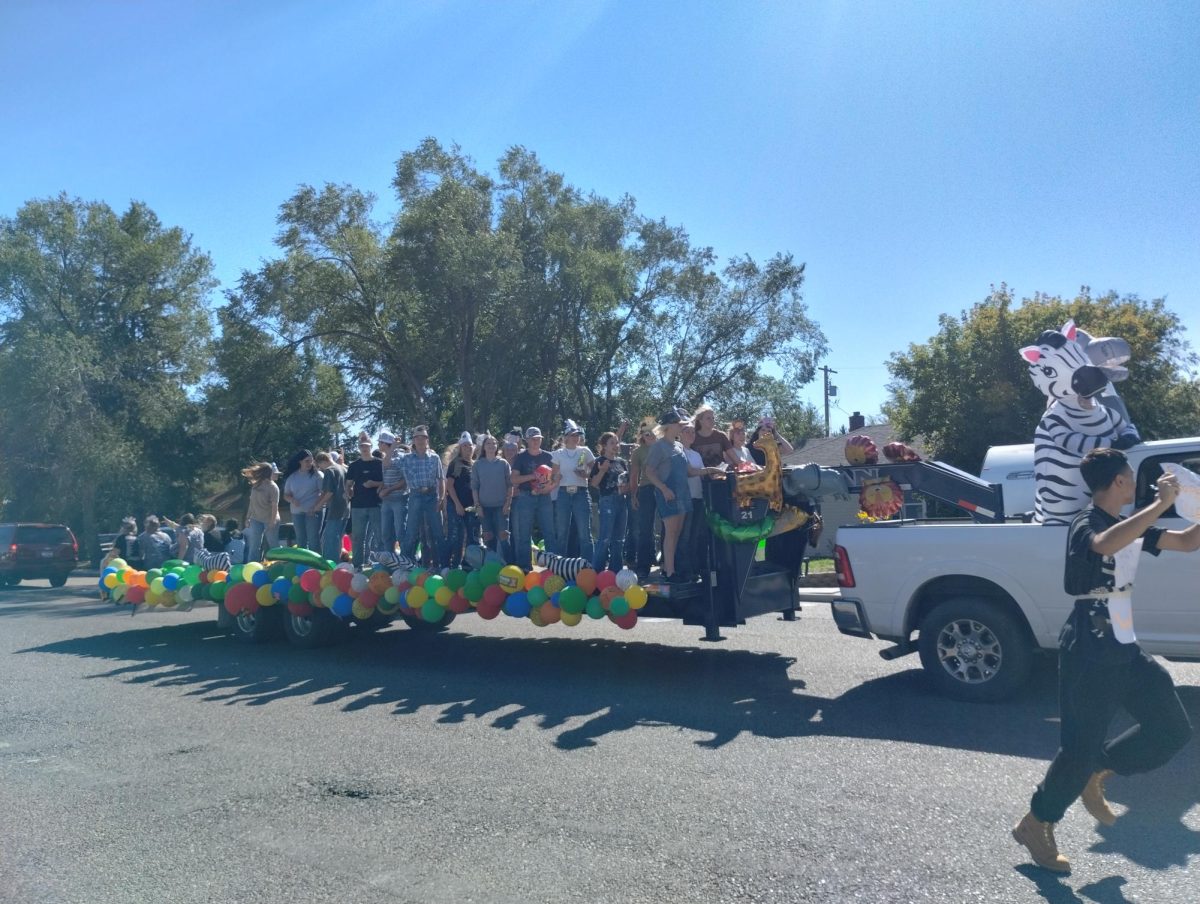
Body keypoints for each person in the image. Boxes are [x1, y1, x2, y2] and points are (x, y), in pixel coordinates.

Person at [1013, 448, 1200, 873]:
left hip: (1123, 644)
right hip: (1088, 649)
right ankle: (1037, 821)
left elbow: (1188, 542)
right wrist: (1160, 505)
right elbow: (1103, 545)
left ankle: (1101, 768)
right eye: (1131, 478)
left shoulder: (1126, 524)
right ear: (1118, 482)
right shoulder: (1088, 523)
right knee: (1077, 749)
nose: (1136, 484)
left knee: (1171, 727)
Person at [643, 408, 694, 582]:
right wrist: (663, 488)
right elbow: (649, 471)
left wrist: (710, 470)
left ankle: (671, 568)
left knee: (677, 532)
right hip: (668, 494)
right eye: (679, 424)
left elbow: (688, 471)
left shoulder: (679, 445)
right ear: (670, 425)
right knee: (670, 533)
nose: (682, 427)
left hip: (683, 493)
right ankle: (669, 572)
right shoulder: (659, 446)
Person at [679, 421, 726, 578]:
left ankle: (694, 569)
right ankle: (683, 570)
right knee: (684, 536)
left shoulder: (695, 454)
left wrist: (716, 473)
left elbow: (701, 474)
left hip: (698, 497)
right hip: (685, 498)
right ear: (680, 433)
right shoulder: (678, 451)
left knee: (695, 535)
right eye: (687, 432)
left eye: (693, 432)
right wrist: (711, 469)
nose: (691, 435)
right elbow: (691, 472)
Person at [400, 425, 447, 567]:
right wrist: (394, 446)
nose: (420, 440)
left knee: (438, 532)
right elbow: (387, 464)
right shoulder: (406, 459)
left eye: (423, 437)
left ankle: (442, 565)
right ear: (413, 440)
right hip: (415, 495)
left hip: (432, 496)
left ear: (427, 440)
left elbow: (441, 479)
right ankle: (406, 565)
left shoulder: (435, 458)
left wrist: (441, 498)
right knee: (411, 532)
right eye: (417, 437)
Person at [511, 426, 558, 569]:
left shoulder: (549, 456)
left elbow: (556, 477)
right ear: (527, 440)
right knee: (524, 533)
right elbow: (514, 479)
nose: (536, 441)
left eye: (538, 439)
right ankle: (524, 567)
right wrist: (533, 476)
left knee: (549, 531)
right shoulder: (520, 457)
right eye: (533, 439)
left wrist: (548, 488)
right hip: (526, 497)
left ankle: (554, 565)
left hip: (545, 497)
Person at [551, 419, 596, 564]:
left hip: (581, 492)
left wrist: (586, 474)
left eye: (577, 435)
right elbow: (553, 476)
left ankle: (589, 566)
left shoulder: (585, 451)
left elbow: (595, 470)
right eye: (572, 435)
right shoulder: (558, 453)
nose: (575, 437)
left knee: (585, 532)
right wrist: (556, 477)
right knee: (562, 532)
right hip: (563, 493)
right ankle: (560, 565)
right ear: (566, 437)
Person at [590, 431, 630, 572]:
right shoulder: (599, 461)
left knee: (619, 539)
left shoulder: (622, 462)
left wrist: (625, 488)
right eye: (612, 443)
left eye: (616, 443)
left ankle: (616, 571)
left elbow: (626, 482)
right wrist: (602, 471)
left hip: (621, 500)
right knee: (605, 537)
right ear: (604, 446)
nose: (615, 445)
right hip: (607, 500)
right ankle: (597, 571)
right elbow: (594, 483)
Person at [472, 434, 513, 561]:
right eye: (488, 443)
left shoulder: (503, 463)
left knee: (504, 537)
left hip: (501, 507)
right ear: (483, 447)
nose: (491, 446)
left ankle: (508, 565)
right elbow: (475, 487)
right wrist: (477, 506)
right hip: (484, 508)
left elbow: (510, 485)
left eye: (494, 443)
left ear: (497, 447)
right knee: (489, 539)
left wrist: (508, 504)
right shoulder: (478, 465)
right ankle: (492, 566)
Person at [345, 434, 383, 568]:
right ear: (359, 448)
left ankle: (382, 565)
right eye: (362, 446)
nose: (364, 448)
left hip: (376, 504)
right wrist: (348, 491)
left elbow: (386, 482)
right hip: (357, 505)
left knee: (380, 537)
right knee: (357, 538)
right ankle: (357, 565)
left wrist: (374, 484)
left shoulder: (379, 463)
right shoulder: (354, 465)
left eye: (367, 446)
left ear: (371, 447)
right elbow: (348, 483)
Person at [627, 419, 659, 582]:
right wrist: (634, 495)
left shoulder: (664, 447)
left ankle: (667, 565)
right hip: (646, 489)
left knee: (669, 528)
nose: (651, 436)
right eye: (647, 434)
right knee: (645, 529)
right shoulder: (638, 452)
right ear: (642, 436)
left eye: (653, 432)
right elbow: (634, 475)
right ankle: (643, 567)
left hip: (665, 489)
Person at [444, 431, 478, 568]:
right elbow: (449, 486)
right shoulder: (455, 464)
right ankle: (450, 565)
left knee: (472, 537)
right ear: (460, 448)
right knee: (455, 537)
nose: (468, 448)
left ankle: (469, 564)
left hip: (471, 507)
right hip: (455, 506)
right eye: (465, 446)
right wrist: (457, 505)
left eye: (470, 445)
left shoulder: (475, 465)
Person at [283, 449, 324, 552]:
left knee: (313, 539)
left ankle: (316, 564)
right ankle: (303, 565)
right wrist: (292, 500)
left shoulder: (317, 475)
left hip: (313, 512)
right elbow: (286, 495)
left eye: (311, 461)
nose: (309, 463)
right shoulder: (292, 477)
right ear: (300, 462)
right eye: (307, 461)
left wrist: (315, 507)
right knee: (301, 539)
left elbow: (323, 493)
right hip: (297, 513)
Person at [241, 461, 281, 564]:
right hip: (256, 519)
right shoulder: (255, 486)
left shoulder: (273, 487)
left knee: (273, 544)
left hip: (269, 519)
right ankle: (252, 565)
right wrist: (248, 517)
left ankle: (279, 564)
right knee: (254, 544)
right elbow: (252, 503)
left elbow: (274, 506)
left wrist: (272, 522)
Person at [314, 451, 348, 564]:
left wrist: (318, 506)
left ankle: (329, 564)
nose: (321, 469)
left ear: (322, 461)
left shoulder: (329, 471)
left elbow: (329, 492)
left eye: (320, 466)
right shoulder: (342, 468)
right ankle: (338, 562)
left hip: (335, 508)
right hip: (346, 508)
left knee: (330, 538)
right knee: (338, 538)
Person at [377, 431, 408, 555]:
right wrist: (382, 487)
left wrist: (388, 490)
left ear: (386, 444)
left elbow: (405, 481)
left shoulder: (401, 457)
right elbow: (386, 467)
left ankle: (406, 558)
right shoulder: (386, 457)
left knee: (400, 531)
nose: (378, 444)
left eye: (380, 442)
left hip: (399, 498)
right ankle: (389, 559)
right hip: (387, 500)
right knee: (385, 532)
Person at [690, 404, 733, 468]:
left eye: (713, 418)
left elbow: (734, 456)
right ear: (700, 420)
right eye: (708, 418)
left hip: (721, 474)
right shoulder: (692, 436)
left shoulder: (721, 436)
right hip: (701, 475)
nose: (712, 420)